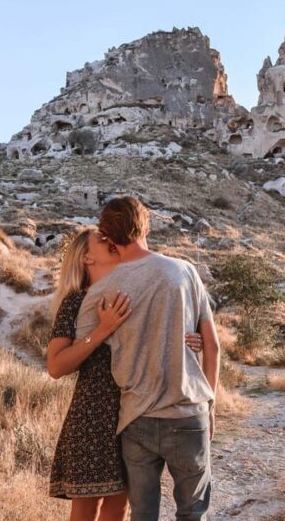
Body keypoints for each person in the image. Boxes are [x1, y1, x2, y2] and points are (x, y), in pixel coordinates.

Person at [74, 197, 221, 521]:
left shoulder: (102, 291)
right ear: (147, 225)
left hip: (136, 418)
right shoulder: (184, 271)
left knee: (143, 515)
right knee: (193, 513)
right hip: (186, 413)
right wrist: (209, 405)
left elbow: (74, 351)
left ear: (109, 238)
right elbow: (212, 346)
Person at [46, 228, 205, 521]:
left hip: (136, 411)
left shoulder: (136, 293)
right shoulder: (76, 301)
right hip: (93, 416)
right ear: (87, 257)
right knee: (86, 507)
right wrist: (101, 330)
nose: (113, 243)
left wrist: (193, 339)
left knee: (120, 507)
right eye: (103, 241)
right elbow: (56, 367)